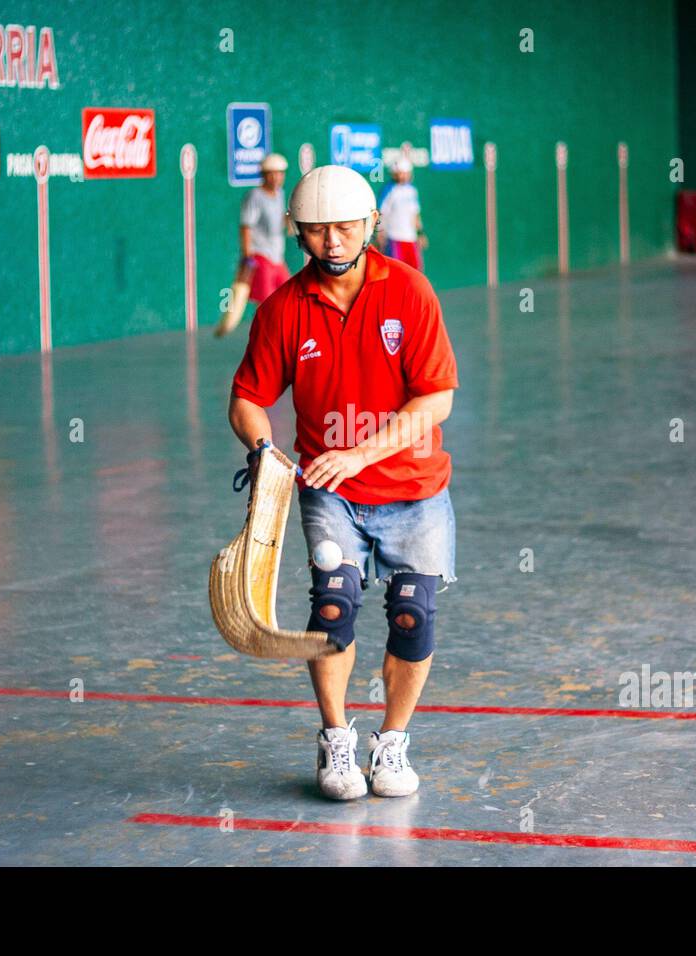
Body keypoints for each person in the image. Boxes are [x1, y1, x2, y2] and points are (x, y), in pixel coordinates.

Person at [227, 165, 459, 800]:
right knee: (332, 606)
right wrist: (264, 449)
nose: (332, 241)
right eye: (318, 230)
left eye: (346, 227)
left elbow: (434, 400)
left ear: (371, 227)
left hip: (413, 487)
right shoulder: (282, 309)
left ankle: (392, 744)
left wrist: (359, 453)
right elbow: (247, 397)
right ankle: (335, 742)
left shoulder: (410, 293)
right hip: (330, 492)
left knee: (412, 617)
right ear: (300, 234)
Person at [214, 153, 291, 337]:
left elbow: (280, 222)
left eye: (280, 174)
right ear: (264, 175)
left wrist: (290, 221)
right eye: (272, 173)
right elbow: (246, 226)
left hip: (276, 257)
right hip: (260, 255)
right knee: (266, 301)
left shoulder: (280, 194)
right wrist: (248, 254)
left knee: (289, 294)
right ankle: (266, 336)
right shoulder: (254, 196)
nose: (276, 178)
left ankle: (280, 333)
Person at [377, 158, 427, 271]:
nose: (402, 176)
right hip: (394, 238)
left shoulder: (412, 190)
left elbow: (416, 214)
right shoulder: (388, 190)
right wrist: (380, 234)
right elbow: (381, 213)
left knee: (416, 272)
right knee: (397, 272)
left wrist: (420, 233)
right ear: (394, 174)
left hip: (411, 239)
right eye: (399, 173)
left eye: (405, 173)